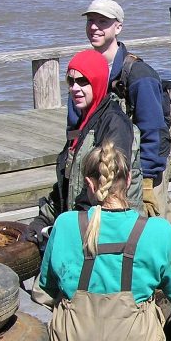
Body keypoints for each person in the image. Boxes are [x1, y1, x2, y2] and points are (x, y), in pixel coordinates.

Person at [36, 141, 171, 341]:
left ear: (89, 184)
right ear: (129, 180)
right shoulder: (158, 231)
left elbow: (45, 290)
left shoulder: (65, 224)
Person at [24, 50, 142, 247]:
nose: (75, 88)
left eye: (82, 81)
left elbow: (110, 188)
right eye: (71, 82)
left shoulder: (115, 124)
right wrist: (43, 219)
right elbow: (67, 182)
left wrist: (70, 226)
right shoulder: (84, 121)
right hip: (83, 225)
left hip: (111, 233)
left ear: (97, 81)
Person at [76, 0, 171, 224]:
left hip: (142, 170)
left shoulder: (139, 74)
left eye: (103, 22)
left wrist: (147, 181)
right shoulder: (86, 71)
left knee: (152, 227)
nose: (94, 27)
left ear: (118, 27)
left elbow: (155, 132)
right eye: (90, 21)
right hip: (104, 168)